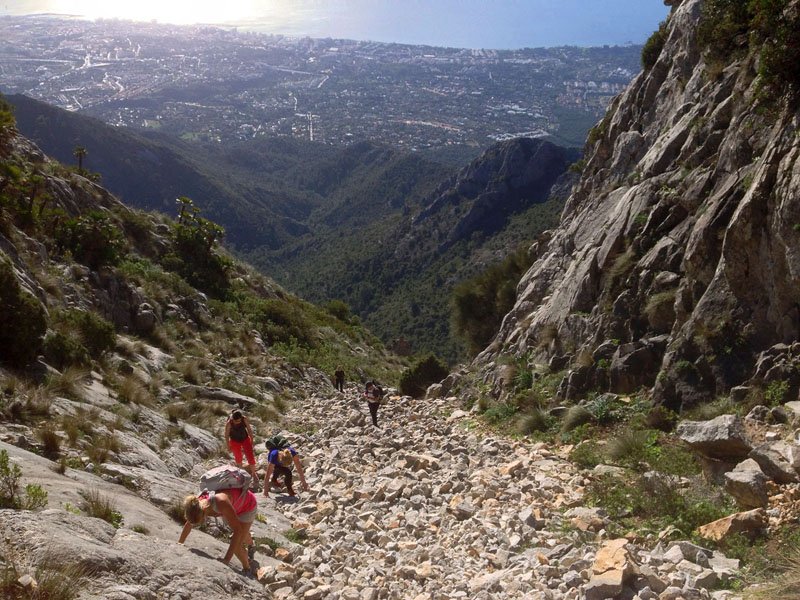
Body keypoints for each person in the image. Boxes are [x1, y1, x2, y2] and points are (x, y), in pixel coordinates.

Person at [178, 487, 258, 575]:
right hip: (233, 505)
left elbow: (237, 531)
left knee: (237, 546)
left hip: (247, 505)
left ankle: (247, 568)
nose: (199, 523)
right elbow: (189, 523)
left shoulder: (221, 502)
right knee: (241, 532)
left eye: (200, 521)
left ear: (204, 512)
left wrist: (226, 560)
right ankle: (251, 542)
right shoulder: (196, 504)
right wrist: (180, 543)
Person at [225, 410, 257, 489]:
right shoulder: (229, 423)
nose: (238, 422)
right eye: (236, 421)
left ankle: (254, 474)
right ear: (233, 419)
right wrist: (228, 446)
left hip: (245, 439)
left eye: (239, 420)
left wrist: (252, 439)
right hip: (234, 441)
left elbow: (249, 429)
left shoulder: (244, 419)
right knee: (238, 457)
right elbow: (226, 435)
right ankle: (241, 474)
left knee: (250, 456)